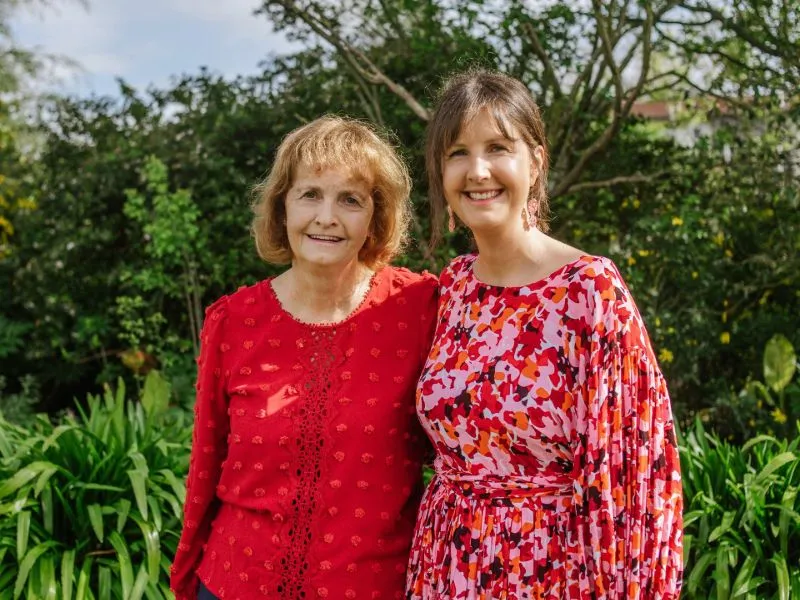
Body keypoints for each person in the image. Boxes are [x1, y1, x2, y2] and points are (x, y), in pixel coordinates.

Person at [406, 70, 683, 599]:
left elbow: (635, 477)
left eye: (497, 148)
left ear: (535, 162)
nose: (477, 170)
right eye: (458, 153)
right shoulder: (455, 287)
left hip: (552, 574)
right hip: (446, 569)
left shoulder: (589, 292)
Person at [170, 115, 438, 600]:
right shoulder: (233, 322)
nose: (327, 216)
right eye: (310, 194)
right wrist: (187, 579)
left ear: (376, 217)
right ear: (282, 207)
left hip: (370, 588)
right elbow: (205, 465)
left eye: (350, 199)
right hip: (235, 583)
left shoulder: (420, 309)